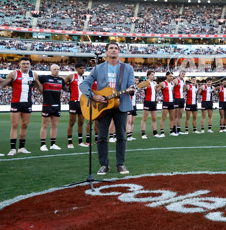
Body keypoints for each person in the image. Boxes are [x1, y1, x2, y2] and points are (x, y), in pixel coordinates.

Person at [79, 41, 135, 175]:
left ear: (119, 52)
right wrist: (93, 96)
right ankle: (104, 165)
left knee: (121, 136)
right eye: (111, 48)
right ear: (106, 52)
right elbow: (84, 84)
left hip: (120, 105)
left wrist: (132, 90)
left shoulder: (127, 68)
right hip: (102, 107)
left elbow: (132, 85)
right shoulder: (98, 68)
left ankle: (120, 164)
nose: (114, 50)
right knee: (102, 136)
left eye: (116, 48)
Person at [0, 57, 39, 155]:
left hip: (28, 103)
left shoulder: (33, 75)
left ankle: (21, 147)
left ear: (30, 65)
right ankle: (12, 148)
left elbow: (38, 85)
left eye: (27, 63)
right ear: (19, 64)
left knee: (25, 125)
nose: (25, 65)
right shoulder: (13, 74)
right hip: (16, 102)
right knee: (15, 125)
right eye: (23, 63)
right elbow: (4, 83)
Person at [38, 64, 65, 151]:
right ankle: (43, 145)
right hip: (47, 105)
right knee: (45, 125)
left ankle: (53, 144)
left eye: (58, 69)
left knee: (55, 126)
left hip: (57, 106)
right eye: (54, 69)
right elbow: (34, 79)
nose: (56, 71)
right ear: (50, 69)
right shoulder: (44, 78)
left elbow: (66, 87)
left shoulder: (61, 80)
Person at [64, 63, 87, 148]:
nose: (83, 70)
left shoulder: (85, 78)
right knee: (72, 122)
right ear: (76, 69)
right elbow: (63, 82)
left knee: (81, 122)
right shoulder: (72, 76)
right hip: (74, 102)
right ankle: (70, 142)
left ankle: (80, 141)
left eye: (84, 68)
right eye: (81, 68)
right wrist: (67, 89)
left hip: (82, 102)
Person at [140, 70, 162, 138]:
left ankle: (155, 133)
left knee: (154, 118)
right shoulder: (146, 82)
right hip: (147, 102)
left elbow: (156, 90)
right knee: (144, 118)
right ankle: (143, 134)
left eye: (154, 75)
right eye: (152, 74)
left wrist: (160, 86)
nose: (153, 76)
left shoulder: (155, 83)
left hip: (154, 102)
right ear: (148, 75)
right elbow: (140, 87)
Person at [160, 71, 177, 136]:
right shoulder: (163, 83)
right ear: (166, 76)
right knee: (163, 118)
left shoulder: (172, 83)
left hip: (172, 102)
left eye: (172, 76)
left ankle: (171, 131)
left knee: (172, 117)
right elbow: (157, 89)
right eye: (170, 76)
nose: (171, 77)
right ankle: (162, 132)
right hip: (166, 102)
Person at [173, 70, 187, 134]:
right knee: (175, 115)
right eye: (182, 73)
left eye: (184, 74)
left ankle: (179, 130)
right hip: (176, 98)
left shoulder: (183, 81)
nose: (183, 74)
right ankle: (174, 130)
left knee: (180, 115)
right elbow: (171, 88)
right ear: (179, 74)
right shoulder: (176, 80)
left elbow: (182, 90)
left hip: (182, 99)